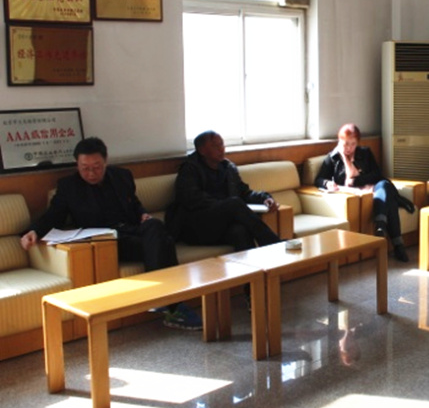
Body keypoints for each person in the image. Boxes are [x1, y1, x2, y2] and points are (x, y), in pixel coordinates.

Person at [19, 137, 202, 330]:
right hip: (107, 242)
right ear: (77, 164)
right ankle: (171, 302)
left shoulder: (122, 176)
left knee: (155, 226)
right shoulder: (68, 187)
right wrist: (34, 231)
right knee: (164, 241)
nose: (91, 173)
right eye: (85, 168)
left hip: (130, 231)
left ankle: (162, 298)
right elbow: (54, 215)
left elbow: (134, 204)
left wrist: (142, 214)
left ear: (105, 161)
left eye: (97, 167)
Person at [168, 131, 281, 255]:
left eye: (222, 144)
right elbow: (191, 199)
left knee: (240, 231)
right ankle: (274, 244)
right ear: (202, 151)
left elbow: (244, 193)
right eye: (215, 146)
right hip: (197, 227)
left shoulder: (228, 168)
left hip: (221, 226)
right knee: (234, 204)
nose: (221, 149)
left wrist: (265, 199)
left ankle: (257, 266)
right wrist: (224, 206)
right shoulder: (189, 169)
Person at [314, 123, 415, 262]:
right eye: (345, 144)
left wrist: (356, 181)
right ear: (339, 141)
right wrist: (327, 183)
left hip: (376, 189)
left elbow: (377, 174)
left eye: (353, 144)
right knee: (389, 200)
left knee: (384, 185)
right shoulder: (333, 158)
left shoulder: (365, 153)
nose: (349, 148)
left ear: (357, 143)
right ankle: (397, 243)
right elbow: (319, 179)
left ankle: (381, 224)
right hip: (359, 196)